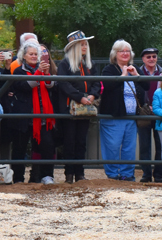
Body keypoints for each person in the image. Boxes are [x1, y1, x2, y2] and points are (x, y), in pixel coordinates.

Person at [10, 40, 56, 184]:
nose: (34, 56)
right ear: (23, 56)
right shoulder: (18, 71)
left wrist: (47, 73)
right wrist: (39, 73)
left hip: (42, 115)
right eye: (31, 54)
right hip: (24, 115)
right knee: (19, 148)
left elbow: (51, 85)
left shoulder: (43, 68)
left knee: (47, 146)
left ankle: (46, 176)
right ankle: (18, 178)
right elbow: (25, 86)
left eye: (36, 54)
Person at [57, 30, 100, 183]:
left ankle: (80, 174)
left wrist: (92, 95)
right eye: (82, 44)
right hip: (70, 108)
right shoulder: (65, 64)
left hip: (86, 107)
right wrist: (79, 96)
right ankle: (69, 174)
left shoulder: (90, 64)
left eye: (86, 44)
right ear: (74, 47)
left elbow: (97, 81)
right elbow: (63, 84)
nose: (85, 46)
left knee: (81, 140)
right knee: (69, 140)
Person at [100, 39, 145, 182]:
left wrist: (137, 75)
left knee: (129, 148)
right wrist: (123, 76)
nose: (125, 54)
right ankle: (113, 175)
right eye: (122, 51)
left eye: (128, 51)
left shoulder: (134, 68)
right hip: (113, 116)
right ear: (115, 54)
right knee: (112, 147)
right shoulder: (109, 69)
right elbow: (107, 87)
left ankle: (127, 174)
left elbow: (146, 87)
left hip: (131, 116)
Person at [136, 47, 162, 183]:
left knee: (161, 145)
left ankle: (159, 175)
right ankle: (146, 174)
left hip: (160, 113)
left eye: (154, 56)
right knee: (144, 145)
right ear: (143, 59)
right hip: (144, 112)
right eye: (148, 57)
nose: (152, 59)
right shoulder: (137, 72)